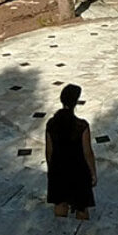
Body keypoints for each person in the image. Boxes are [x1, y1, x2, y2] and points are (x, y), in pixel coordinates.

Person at [45, 84, 97, 220]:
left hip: (58, 169)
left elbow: (49, 151)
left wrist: (52, 170)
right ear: (76, 103)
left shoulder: (51, 123)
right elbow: (87, 152)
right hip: (78, 170)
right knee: (81, 206)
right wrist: (93, 173)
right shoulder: (82, 126)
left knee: (60, 204)